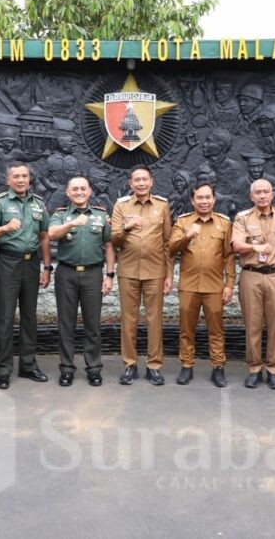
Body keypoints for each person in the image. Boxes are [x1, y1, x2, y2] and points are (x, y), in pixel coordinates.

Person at [0, 162, 52, 389]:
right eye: (16, 176)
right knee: (4, 318)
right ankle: (2, 369)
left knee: (30, 316)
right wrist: (5, 228)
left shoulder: (39, 203)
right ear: (8, 180)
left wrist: (47, 267)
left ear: (29, 179)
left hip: (31, 263)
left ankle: (28, 365)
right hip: (8, 262)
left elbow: (44, 237)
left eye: (25, 176)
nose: (21, 180)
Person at [48, 175, 115, 387]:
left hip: (93, 274)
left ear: (89, 191)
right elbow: (51, 234)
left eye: (83, 189)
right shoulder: (60, 215)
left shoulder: (101, 215)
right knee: (66, 324)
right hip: (66, 274)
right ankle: (67, 369)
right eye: (74, 189)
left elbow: (110, 246)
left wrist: (110, 275)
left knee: (92, 325)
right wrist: (72, 223)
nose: (79, 192)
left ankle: (94, 369)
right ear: (68, 192)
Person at [168, 182, 236, 388]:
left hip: (214, 286)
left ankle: (218, 367)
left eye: (208, 197)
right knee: (186, 330)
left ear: (214, 199)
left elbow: (229, 256)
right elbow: (171, 248)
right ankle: (187, 366)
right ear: (192, 200)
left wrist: (229, 284)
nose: (204, 201)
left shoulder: (224, 223)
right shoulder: (182, 222)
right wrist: (187, 235)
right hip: (189, 285)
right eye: (200, 197)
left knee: (216, 330)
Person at [111, 165, 173, 386]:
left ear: (151, 182)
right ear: (130, 183)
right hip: (128, 271)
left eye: (144, 179)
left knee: (154, 320)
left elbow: (168, 243)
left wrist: (169, 275)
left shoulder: (162, 206)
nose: (140, 183)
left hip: (155, 271)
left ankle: (154, 365)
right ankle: (130, 364)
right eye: (136, 180)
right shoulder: (121, 206)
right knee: (129, 320)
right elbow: (114, 240)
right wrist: (126, 227)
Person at [232, 178, 275, 389]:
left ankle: (274, 369)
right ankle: (255, 369)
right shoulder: (242, 218)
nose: (262, 195)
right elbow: (237, 245)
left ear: (272, 194)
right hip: (251, 276)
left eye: (266, 191)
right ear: (251, 197)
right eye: (258, 192)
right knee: (252, 325)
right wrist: (254, 248)